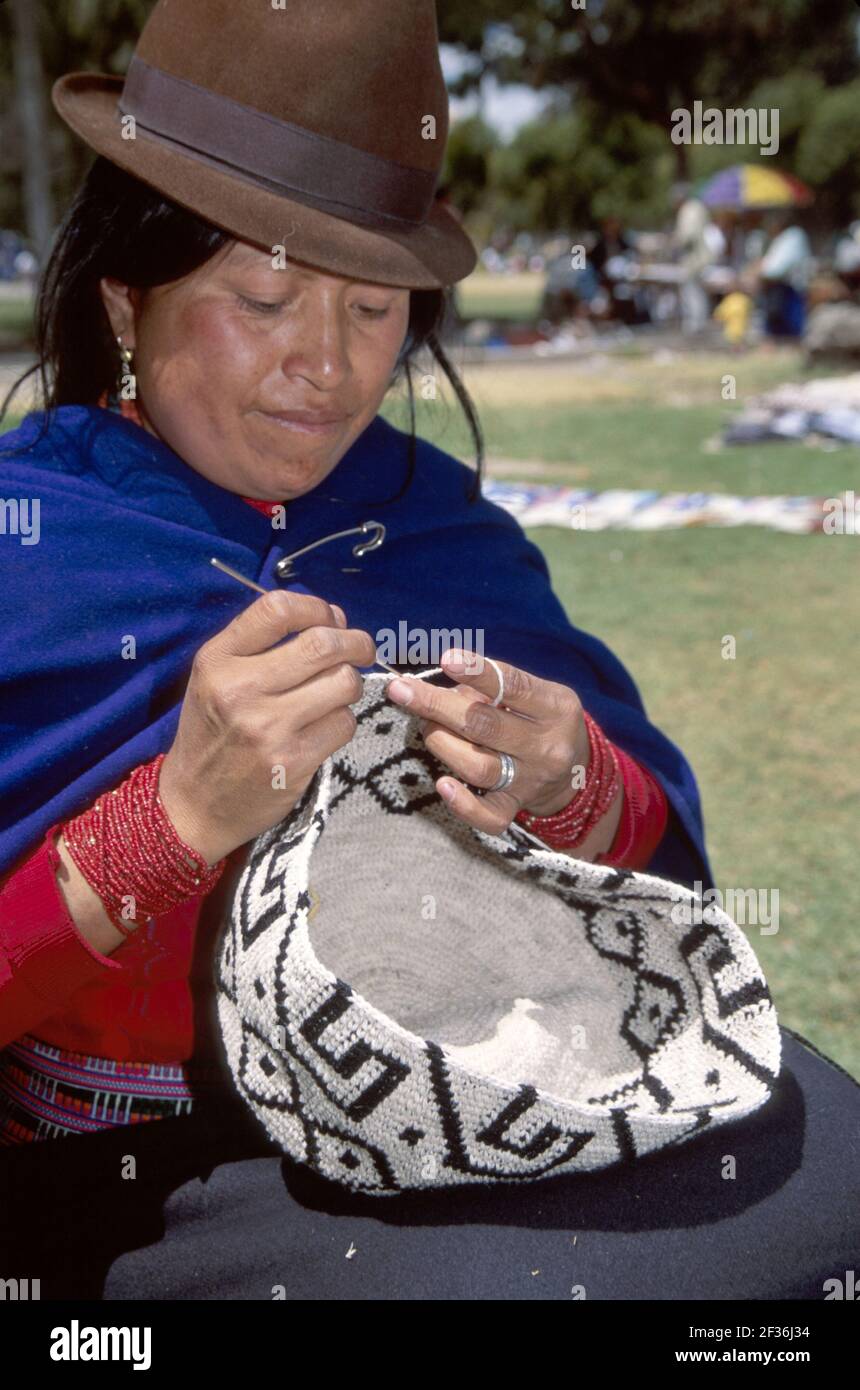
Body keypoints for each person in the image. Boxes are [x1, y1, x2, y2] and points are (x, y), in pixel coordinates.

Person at [1, 0, 858, 1301]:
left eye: (374, 307)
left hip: (470, 1084)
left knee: (825, 1169)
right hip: (144, 1174)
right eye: (267, 296)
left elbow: (649, 858)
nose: (325, 367)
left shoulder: (445, 525)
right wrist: (168, 824)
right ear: (129, 295)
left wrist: (572, 784)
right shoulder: (32, 542)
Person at [758, 210, 814, 340]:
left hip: (789, 291)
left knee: (789, 333)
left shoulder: (794, 236)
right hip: (778, 290)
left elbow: (776, 270)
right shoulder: (781, 239)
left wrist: (759, 273)